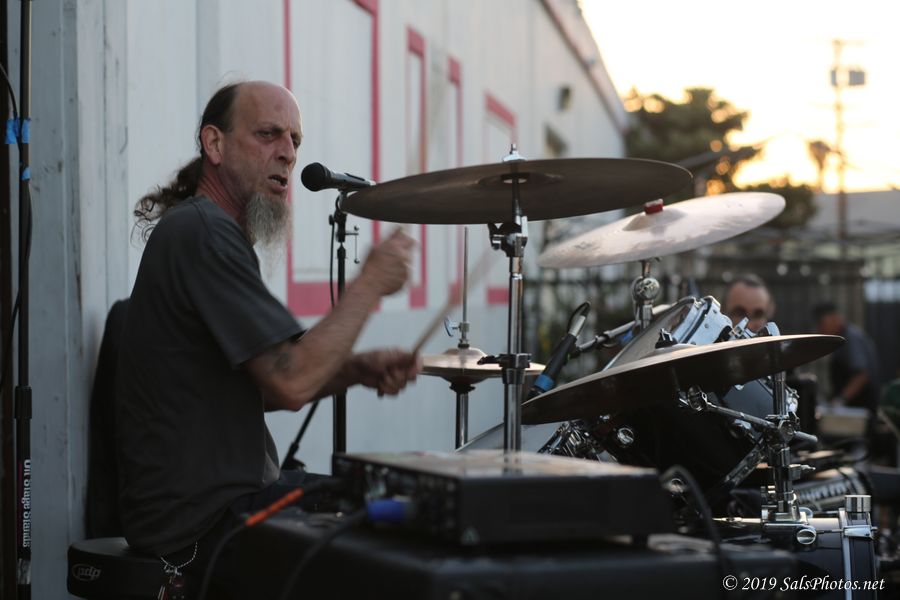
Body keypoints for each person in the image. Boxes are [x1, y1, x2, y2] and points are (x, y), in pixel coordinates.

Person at [115, 81, 419, 593]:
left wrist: (354, 370)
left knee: (390, 506)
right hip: (202, 527)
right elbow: (290, 383)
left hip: (216, 510)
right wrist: (369, 283)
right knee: (399, 537)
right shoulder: (204, 233)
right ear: (215, 144)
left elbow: (262, 385)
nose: (288, 153)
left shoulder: (210, 231)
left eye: (295, 140)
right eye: (268, 134)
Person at [812, 301, 881, 413]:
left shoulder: (851, 338)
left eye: (821, 324)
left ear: (834, 318)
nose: (820, 329)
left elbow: (862, 375)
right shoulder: (842, 338)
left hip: (860, 410)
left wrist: (841, 400)